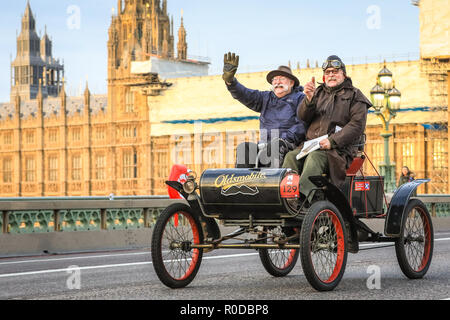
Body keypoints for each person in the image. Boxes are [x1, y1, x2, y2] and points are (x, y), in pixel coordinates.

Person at [282, 55, 372, 203]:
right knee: (290, 157)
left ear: (344, 74)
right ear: (324, 76)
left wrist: (332, 141)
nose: (331, 75)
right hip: (311, 145)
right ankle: (286, 198)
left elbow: (356, 126)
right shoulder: (318, 93)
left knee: (315, 158)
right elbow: (303, 117)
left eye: (335, 71)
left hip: (338, 150)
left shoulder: (355, 96)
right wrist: (309, 99)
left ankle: (304, 201)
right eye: (328, 72)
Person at [222, 52, 307, 168]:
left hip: (288, 144)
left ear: (291, 83)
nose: (277, 82)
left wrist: (285, 139)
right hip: (264, 145)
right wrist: (231, 82)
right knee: (244, 148)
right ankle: (242, 184)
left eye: (282, 79)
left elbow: (302, 123)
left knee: (276, 146)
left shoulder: (300, 98)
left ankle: (271, 184)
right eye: (275, 80)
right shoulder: (265, 98)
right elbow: (245, 94)